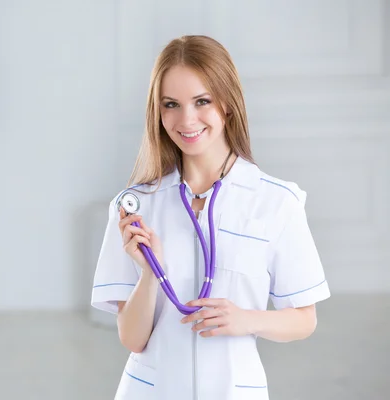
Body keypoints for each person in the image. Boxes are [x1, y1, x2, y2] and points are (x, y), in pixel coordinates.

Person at [90, 35, 331, 400]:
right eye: (171, 104)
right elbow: (132, 339)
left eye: (202, 101)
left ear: (227, 104)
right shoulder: (134, 207)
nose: (186, 120)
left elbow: (303, 320)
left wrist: (246, 319)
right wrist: (151, 274)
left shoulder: (276, 202)